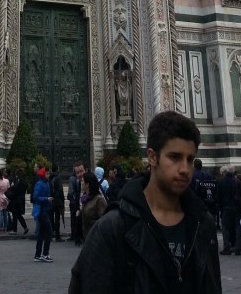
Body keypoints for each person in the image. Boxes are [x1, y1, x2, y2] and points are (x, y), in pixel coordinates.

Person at [69, 111, 220, 294]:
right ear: (152, 157)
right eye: (174, 157)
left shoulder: (203, 225)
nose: (184, 169)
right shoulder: (112, 228)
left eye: (190, 159)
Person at [217, 164, 241, 256]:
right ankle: (238, 248)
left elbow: (219, 197)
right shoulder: (237, 181)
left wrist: (221, 208)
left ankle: (226, 247)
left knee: (225, 228)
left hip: (226, 208)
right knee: (238, 228)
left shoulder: (221, 182)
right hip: (236, 208)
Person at [31, 167, 53, 262]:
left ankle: (38, 254)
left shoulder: (45, 183)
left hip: (44, 210)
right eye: (47, 173)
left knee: (41, 233)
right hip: (41, 210)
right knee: (48, 231)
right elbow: (35, 197)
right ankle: (45, 254)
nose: (48, 175)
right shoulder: (40, 184)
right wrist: (46, 199)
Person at [80, 172, 106, 241]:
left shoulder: (99, 200)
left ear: (87, 184)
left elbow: (104, 222)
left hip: (96, 240)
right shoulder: (85, 199)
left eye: (82, 181)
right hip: (87, 239)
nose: (81, 182)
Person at [68, 161, 86, 245]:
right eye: (77, 172)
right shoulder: (78, 182)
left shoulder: (92, 181)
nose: (80, 174)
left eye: (81, 171)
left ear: (86, 170)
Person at [0, 168, 10, 233]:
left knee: (0, 213)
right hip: (5, 196)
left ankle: (1, 227)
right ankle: (6, 227)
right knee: (5, 213)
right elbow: (8, 188)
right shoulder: (7, 181)